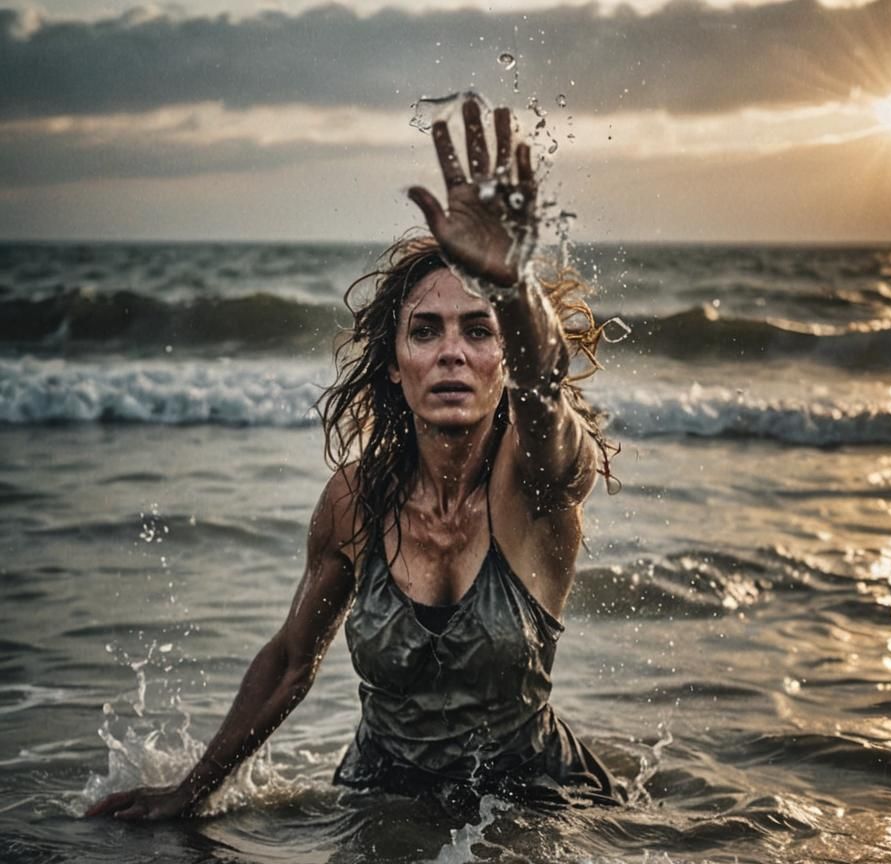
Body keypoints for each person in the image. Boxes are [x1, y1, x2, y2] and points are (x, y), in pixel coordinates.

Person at [87, 98, 623, 822]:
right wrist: (191, 791)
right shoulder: (354, 499)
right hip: (378, 803)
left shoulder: (538, 482)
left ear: (503, 362)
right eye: (426, 332)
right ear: (396, 367)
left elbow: (546, 383)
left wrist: (514, 282)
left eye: (479, 330)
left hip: (528, 807)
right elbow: (289, 662)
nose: (452, 353)